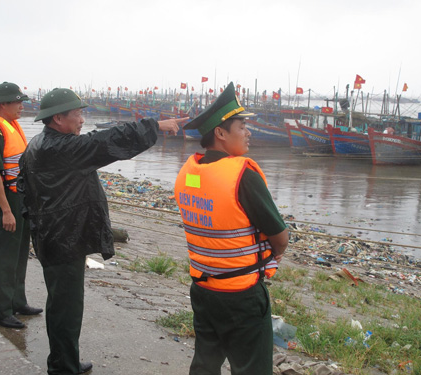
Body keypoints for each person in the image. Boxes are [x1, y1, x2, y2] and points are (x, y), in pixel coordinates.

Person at [18, 88, 188, 375]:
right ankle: (63, 367)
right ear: (58, 118)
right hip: (63, 239)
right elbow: (106, 142)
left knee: (62, 304)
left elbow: (25, 188)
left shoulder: (39, 143)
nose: (82, 120)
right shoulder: (61, 149)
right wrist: (154, 126)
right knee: (67, 308)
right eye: (78, 114)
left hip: (53, 235)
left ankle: (63, 360)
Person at [174, 82, 289, 375]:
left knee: (205, 363)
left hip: (203, 288)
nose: (248, 132)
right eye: (242, 126)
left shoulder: (188, 172)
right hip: (242, 295)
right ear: (221, 133)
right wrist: (272, 255)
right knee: (252, 367)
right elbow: (280, 237)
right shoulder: (243, 174)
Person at [0, 82, 43, 329]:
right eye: (18, 102)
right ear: (3, 104)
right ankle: (1, 311)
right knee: (4, 254)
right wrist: (5, 210)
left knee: (20, 251)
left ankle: (17, 301)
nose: (22, 107)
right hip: (6, 198)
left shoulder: (11, 126)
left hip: (20, 196)